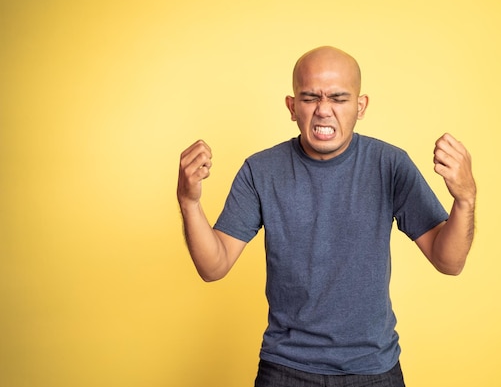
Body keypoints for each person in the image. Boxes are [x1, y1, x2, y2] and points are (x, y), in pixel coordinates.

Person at [177, 46, 476, 387]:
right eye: (310, 98)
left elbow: (448, 261)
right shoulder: (260, 170)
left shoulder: (390, 165)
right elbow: (213, 267)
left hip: (373, 368)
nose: (323, 110)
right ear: (292, 107)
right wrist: (189, 202)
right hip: (285, 368)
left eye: (338, 98)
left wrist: (465, 199)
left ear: (360, 107)